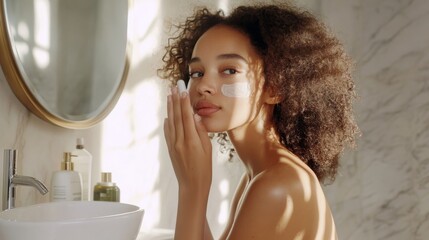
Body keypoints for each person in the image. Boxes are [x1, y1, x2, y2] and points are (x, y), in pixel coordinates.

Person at [159, 3, 358, 240]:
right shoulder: (257, 177)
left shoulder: (278, 185)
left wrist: (192, 188)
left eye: (229, 70)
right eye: (197, 73)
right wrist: (191, 179)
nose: (203, 86)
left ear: (274, 87)